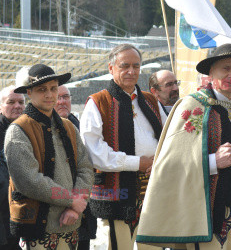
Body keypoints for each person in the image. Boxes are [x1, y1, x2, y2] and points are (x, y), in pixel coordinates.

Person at [135, 43, 231, 249]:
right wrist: (212, 161)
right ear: (211, 72)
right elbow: (169, 164)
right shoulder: (194, 106)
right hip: (205, 211)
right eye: (225, 69)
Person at [80, 44, 163, 250]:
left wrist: (159, 161)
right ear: (111, 68)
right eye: (124, 66)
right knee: (119, 245)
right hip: (117, 190)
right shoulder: (98, 102)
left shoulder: (151, 100)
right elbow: (94, 152)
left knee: (153, 245)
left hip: (153, 184)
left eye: (136, 66)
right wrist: (138, 163)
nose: (131, 71)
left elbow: (167, 137)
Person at [4, 64, 94, 249]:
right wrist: (72, 200)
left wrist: (75, 207)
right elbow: (29, 180)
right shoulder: (18, 130)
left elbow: (85, 167)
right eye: (42, 89)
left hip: (72, 223)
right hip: (39, 227)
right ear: (29, 92)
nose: (49, 94)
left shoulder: (69, 126)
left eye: (53, 88)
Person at [55, 85, 97, 250]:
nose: (62, 102)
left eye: (66, 97)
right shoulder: (40, 129)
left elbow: (87, 167)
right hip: (56, 210)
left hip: (82, 209)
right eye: (58, 97)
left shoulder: (79, 126)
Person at [0, 85, 24, 250]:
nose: (17, 106)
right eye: (11, 102)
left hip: (21, 214)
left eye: (21, 102)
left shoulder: (28, 130)